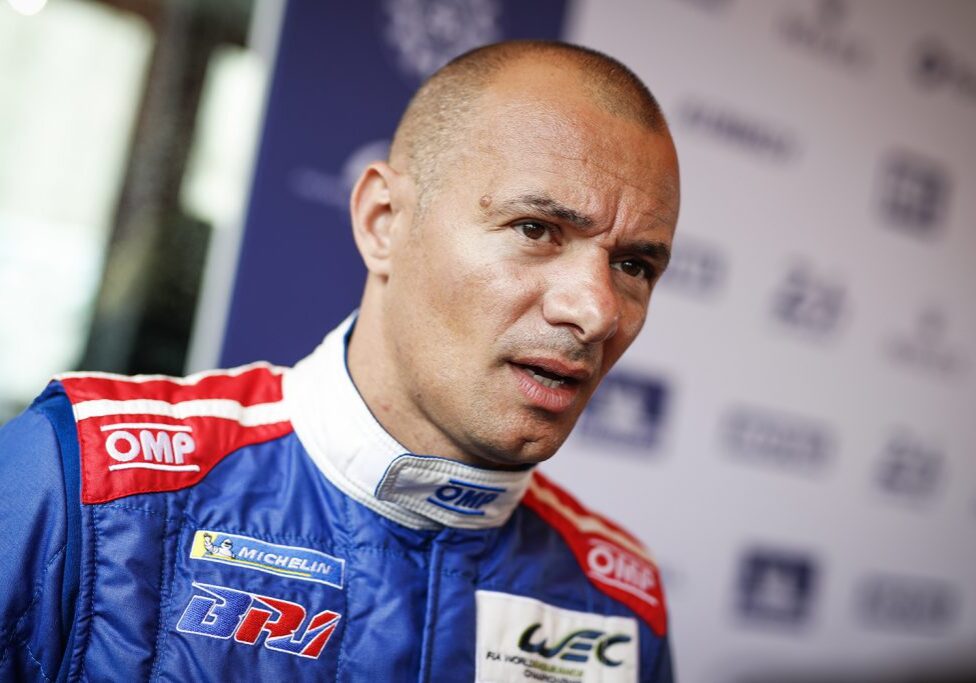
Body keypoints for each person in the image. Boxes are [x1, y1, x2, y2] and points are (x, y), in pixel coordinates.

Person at [0, 40, 679, 681]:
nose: (596, 312)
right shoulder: (82, 480)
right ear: (384, 220)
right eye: (535, 229)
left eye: (633, 265)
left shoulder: (617, 600)